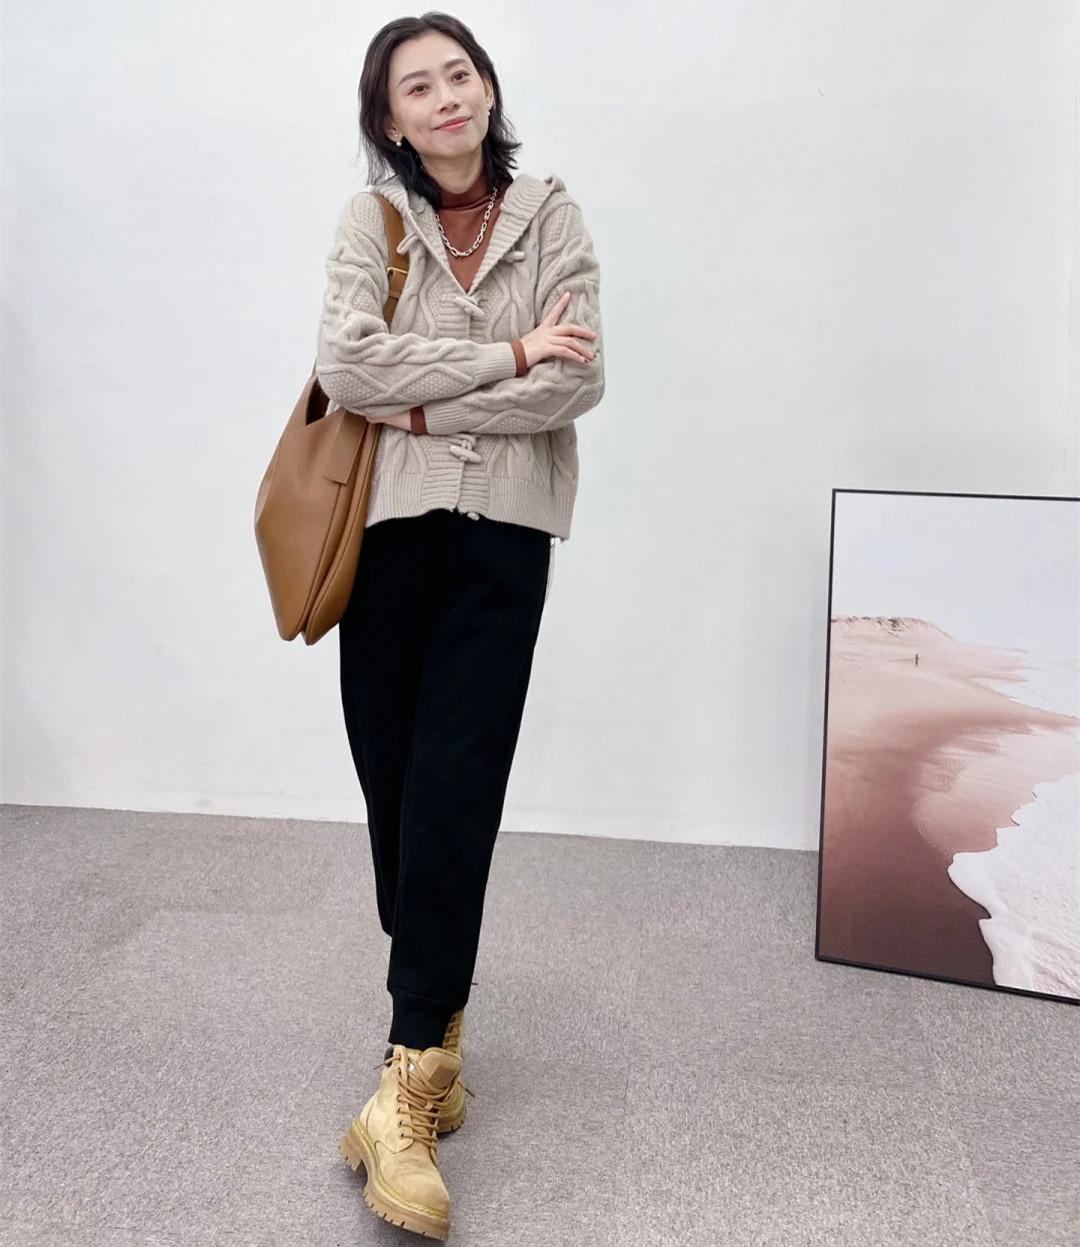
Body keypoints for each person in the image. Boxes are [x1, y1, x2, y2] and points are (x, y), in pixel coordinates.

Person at [316, 12, 605, 1240]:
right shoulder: (372, 222)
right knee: (393, 783)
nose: (446, 97)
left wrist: (428, 398)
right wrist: (504, 355)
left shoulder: (552, 216)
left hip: (503, 540)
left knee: (455, 783)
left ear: (488, 88)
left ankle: (407, 1077)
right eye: (417, 87)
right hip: (385, 537)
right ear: (389, 118)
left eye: (460, 74)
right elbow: (348, 368)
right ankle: (439, 1005)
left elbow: (578, 377)